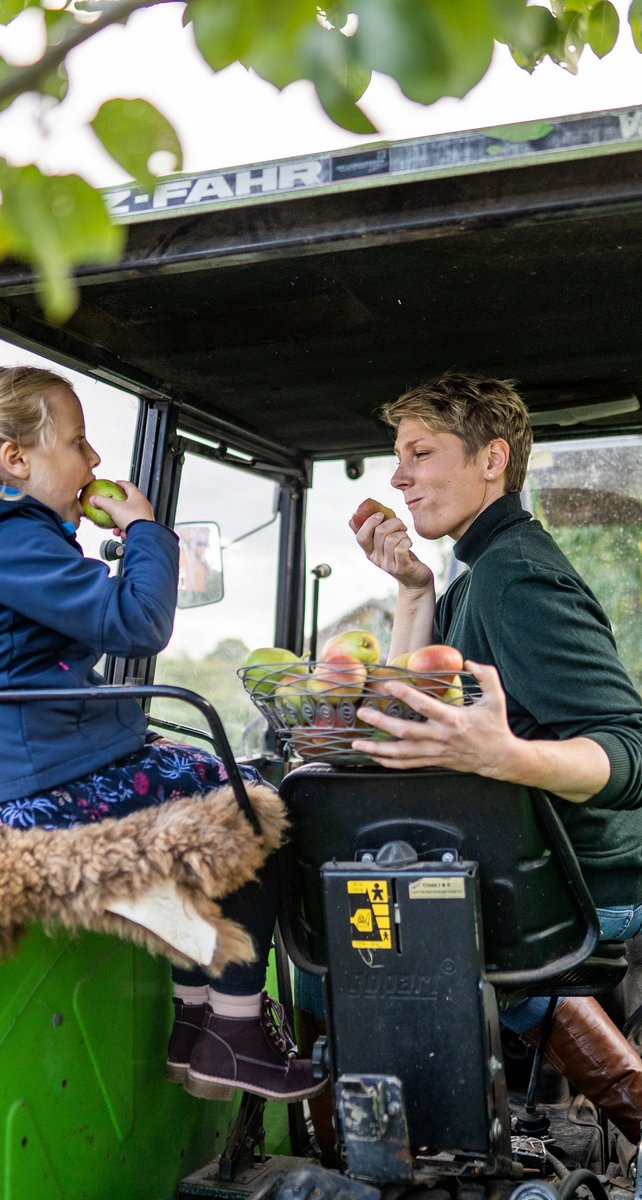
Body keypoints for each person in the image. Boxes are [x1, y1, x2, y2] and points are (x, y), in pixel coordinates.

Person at [349, 371, 642, 1200]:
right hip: (546, 866)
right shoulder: (474, 573)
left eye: (419, 453)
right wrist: (412, 588)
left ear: (492, 459)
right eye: (395, 458)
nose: (398, 477)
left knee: (369, 938)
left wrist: (507, 757)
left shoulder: (517, 576)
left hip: (588, 883)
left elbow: (633, 755)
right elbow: (412, 699)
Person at [0, 365, 324, 1107]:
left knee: (196, 771)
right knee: (248, 803)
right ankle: (234, 1031)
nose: (94, 464)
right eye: (79, 445)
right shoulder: (15, 542)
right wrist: (144, 528)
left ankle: (196, 1025)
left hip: (40, 761)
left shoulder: (25, 540)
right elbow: (136, 622)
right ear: (16, 460)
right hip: (36, 784)